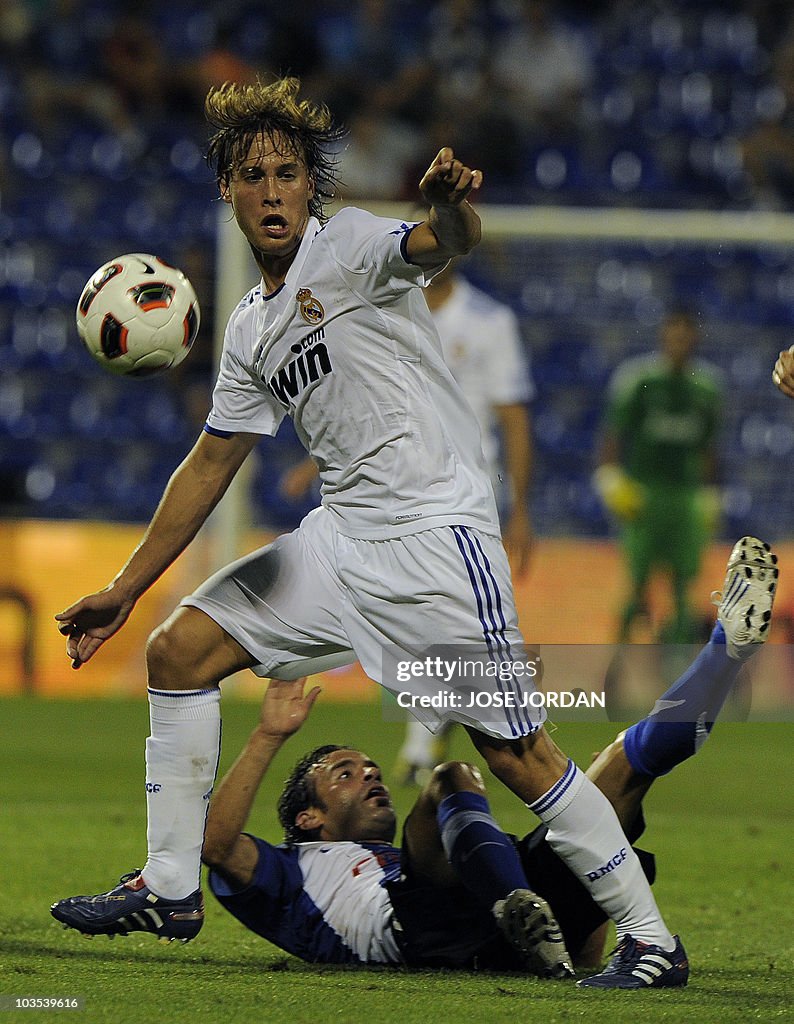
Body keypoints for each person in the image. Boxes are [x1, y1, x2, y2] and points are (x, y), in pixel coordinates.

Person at [51, 75, 681, 988]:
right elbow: (212, 459)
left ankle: (654, 940)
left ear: (313, 187)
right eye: (252, 175)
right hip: (343, 541)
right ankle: (173, 883)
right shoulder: (250, 327)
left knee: (516, 752)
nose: (271, 191)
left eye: (287, 173)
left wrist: (451, 213)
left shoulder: (348, 246)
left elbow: (440, 243)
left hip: (435, 542)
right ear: (227, 189)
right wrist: (126, 583)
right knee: (177, 650)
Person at [198, 536, 777, 986]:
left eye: (369, 767)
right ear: (308, 819)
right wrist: (266, 737)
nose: (369, 774)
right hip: (420, 928)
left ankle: (725, 649)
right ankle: (513, 898)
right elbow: (216, 846)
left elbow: (579, 938)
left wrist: (578, 939)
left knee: (615, 774)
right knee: (449, 776)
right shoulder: (291, 872)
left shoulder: (404, 857)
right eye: (344, 774)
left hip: (490, 931)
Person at [281, 258, 536, 782]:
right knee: (415, 625)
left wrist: (522, 511)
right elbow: (372, 406)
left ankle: (443, 745)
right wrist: (312, 464)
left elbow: (513, 417)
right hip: (395, 489)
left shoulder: (490, 321)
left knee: (451, 624)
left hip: (462, 493)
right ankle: (433, 738)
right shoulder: (388, 308)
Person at [594, 310, 723, 645]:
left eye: (685, 336)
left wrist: (710, 493)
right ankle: (614, 665)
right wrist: (609, 478)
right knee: (636, 584)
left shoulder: (707, 387)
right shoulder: (638, 380)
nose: (679, 342)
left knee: (684, 586)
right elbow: (613, 434)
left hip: (685, 497)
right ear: (663, 338)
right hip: (644, 495)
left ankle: (677, 669)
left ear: (694, 339)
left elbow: (709, 447)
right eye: (673, 335)